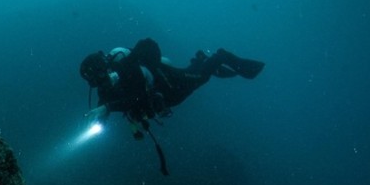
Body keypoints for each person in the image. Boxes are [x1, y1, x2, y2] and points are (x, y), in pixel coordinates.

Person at [79, 38, 264, 174]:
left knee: (199, 78)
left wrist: (108, 108)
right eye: (94, 82)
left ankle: (219, 57)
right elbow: (104, 103)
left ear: (103, 70)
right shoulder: (105, 88)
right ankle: (200, 61)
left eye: (98, 79)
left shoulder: (127, 68)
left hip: (169, 85)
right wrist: (99, 120)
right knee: (195, 75)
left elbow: (139, 97)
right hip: (165, 98)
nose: (99, 85)